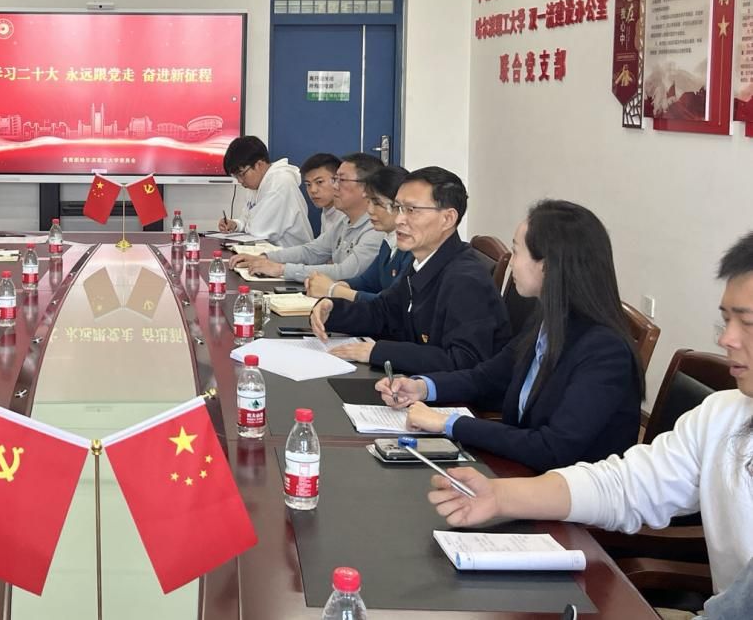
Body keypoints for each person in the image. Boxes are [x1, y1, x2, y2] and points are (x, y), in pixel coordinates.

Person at [426, 230, 753, 600]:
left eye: (747, 323)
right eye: (725, 321)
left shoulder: (601, 346)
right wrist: (500, 496)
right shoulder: (721, 415)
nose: (727, 339)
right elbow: (625, 486)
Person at [377, 200, 642, 471]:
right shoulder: (548, 321)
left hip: (569, 488)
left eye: (516, 252)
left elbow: (553, 448)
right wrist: (422, 387)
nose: (511, 263)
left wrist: (449, 423)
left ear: (548, 265)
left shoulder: (605, 351)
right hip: (524, 469)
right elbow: (486, 378)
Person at [309, 166, 509, 371]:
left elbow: (463, 361)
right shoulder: (423, 261)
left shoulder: (466, 280)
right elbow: (385, 312)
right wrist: (333, 311)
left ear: (448, 218)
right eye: (398, 208)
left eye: (411, 210)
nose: (399, 220)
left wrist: (378, 352)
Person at [230, 153, 384, 282]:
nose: (335, 186)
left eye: (341, 180)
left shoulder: (376, 228)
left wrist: (282, 269)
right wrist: (264, 257)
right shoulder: (344, 222)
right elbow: (312, 251)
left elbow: (345, 272)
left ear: (367, 187)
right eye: (335, 180)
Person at [308, 164, 411, 304]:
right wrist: (339, 286)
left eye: (377, 203)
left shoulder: (411, 250)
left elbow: (391, 305)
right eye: (369, 202)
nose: (370, 210)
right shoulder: (388, 241)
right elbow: (367, 281)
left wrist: (334, 290)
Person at [216, 135, 313, 246]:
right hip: (268, 252)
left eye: (241, 174)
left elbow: (258, 231)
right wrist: (235, 224)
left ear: (259, 164)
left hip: (290, 254)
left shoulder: (280, 183)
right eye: (236, 176)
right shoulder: (256, 184)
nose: (239, 181)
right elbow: (247, 219)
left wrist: (244, 226)